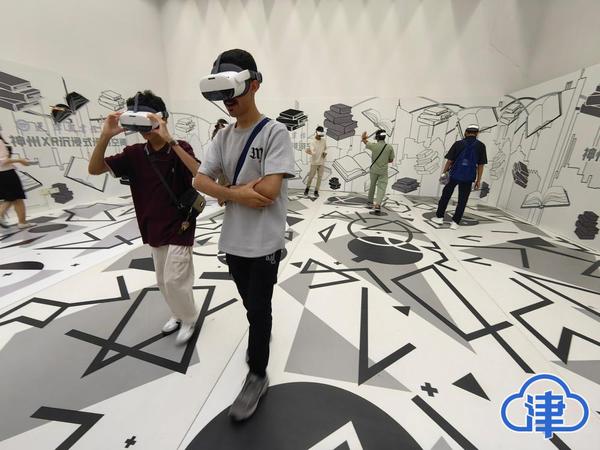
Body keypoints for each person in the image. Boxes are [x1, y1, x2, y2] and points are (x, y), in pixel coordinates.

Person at [194, 49, 295, 421]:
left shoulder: (275, 132)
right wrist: (239, 193)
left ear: (253, 85)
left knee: (259, 308)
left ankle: (257, 374)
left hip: (266, 241)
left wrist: (224, 191)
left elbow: (268, 192)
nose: (227, 101)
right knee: (251, 304)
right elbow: (199, 180)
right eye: (221, 95)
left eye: (232, 91)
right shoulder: (222, 137)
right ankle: (260, 332)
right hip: (233, 240)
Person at [88, 90, 201, 345]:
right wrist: (105, 136)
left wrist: (170, 140)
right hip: (152, 225)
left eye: (147, 121)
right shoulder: (135, 153)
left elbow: (199, 173)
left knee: (175, 279)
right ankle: (177, 313)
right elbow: (94, 169)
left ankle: (189, 317)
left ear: (162, 118)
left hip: (181, 223)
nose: (144, 130)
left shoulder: (180, 147)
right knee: (162, 280)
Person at [433, 124, 487, 229]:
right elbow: (481, 165)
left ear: (466, 132)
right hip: (469, 177)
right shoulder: (481, 146)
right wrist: (478, 180)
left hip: (454, 175)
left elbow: (449, 161)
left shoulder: (458, 144)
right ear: (477, 133)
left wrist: (444, 173)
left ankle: (439, 217)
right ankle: (455, 223)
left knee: (445, 196)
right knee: (463, 200)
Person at [0, 130, 33, 229]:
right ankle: (2, 215)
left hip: (4, 174)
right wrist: (20, 160)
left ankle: (22, 222)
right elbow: (2, 161)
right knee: (14, 197)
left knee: (15, 198)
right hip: (7, 173)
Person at [361, 129, 394, 214]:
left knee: (372, 185)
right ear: (384, 137)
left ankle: (369, 202)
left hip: (374, 170)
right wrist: (384, 160)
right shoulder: (389, 147)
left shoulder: (374, 146)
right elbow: (391, 160)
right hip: (383, 171)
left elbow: (365, 141)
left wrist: (364, 137)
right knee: (381, 187)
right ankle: (378, 205)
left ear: (377, 137)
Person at [304, 125, 327, 197]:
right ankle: (307, 188)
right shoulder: (312, 141)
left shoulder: (323, 141)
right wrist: (311, 152)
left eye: (321, 134)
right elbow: (310, 151)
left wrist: (324, 153)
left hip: (321, 162)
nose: (320, 136)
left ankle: (316, 191)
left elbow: (324, 149)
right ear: (316, 132)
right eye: (319, 133)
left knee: (320, 177)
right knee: (311, 176)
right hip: (314, 162)